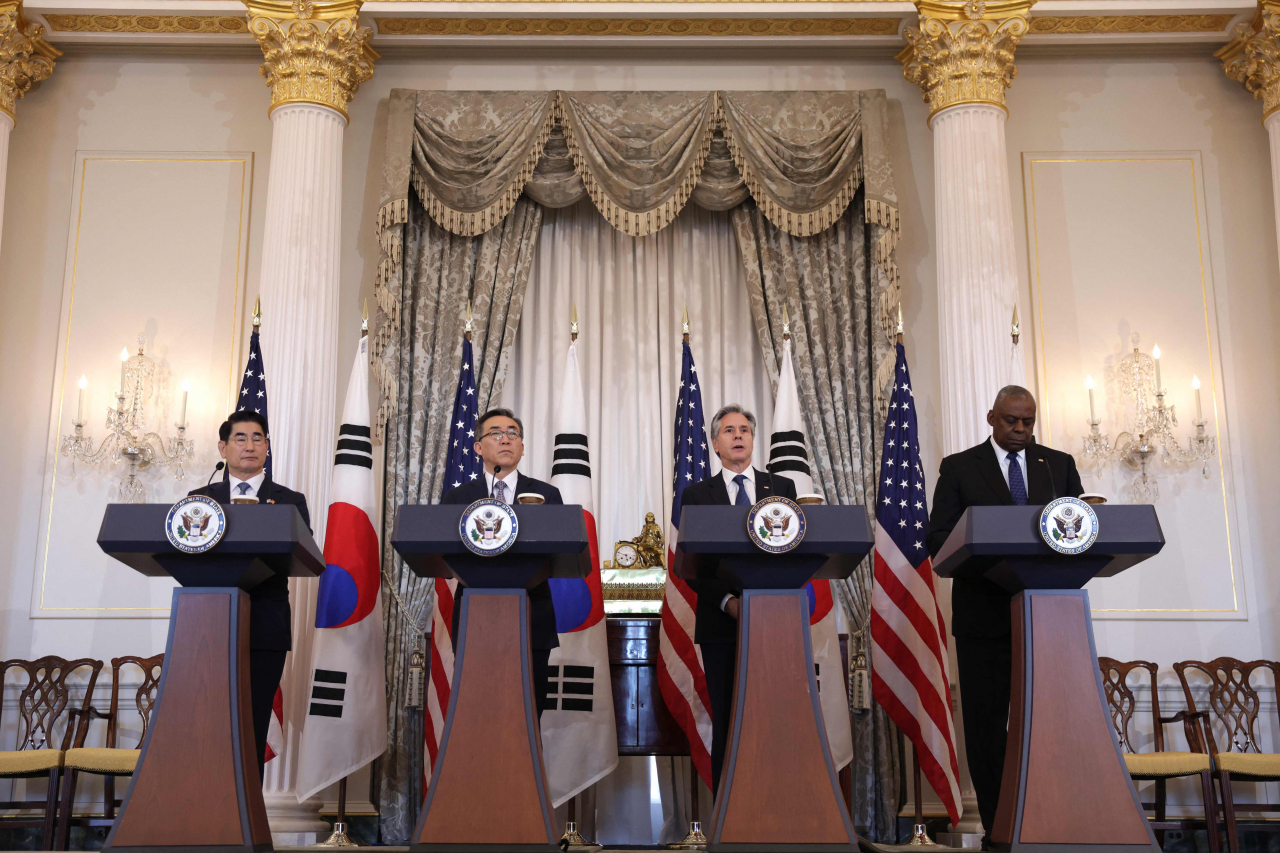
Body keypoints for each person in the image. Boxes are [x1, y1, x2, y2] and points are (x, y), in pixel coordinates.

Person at [926, 385, 1083, 845]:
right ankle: (1001, 830)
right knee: (988, 728)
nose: (1020, 429)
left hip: (1048, 620)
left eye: (1028, 422)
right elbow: (938, 540)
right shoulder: (958, 467)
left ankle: (1050, 821)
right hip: (983, 619)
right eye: (1011, 421)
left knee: (1048, 724)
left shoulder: (1058, 466)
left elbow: (1077, 532)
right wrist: (995, 566)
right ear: (991, 417)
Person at [679, 404, 797, 795]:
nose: (738, 435)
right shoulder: (697, 495)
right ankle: (730, 816)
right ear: (715, 443)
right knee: (730, 719)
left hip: (775, 622)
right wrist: (729, 601)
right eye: (728, 430)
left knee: (776, 719)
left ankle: (776, 805)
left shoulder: (782, 490)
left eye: (744, 428)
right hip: (721, 626)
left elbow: (795, 553)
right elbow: (693, 565)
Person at [188, 410, 310, 780]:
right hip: (210, 624)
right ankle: (208, 808)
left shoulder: (289, 500)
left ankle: (247, 815)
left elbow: (302, 554)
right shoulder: (199, 499)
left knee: (253, 719)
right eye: (240, 438)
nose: (250, 446)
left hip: (265, 624)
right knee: (208, 719)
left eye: (258, 438)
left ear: (267, 447)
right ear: (223, 447)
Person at [441, 407, 562, 714]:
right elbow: (445, 552)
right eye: (496, 433)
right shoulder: (457, 498)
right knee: (475, 713)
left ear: (522, 447)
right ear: (479, 447)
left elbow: (558, 553)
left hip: (533, 615)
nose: (506, 439)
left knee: (528, 713)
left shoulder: (547, 495)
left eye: (513, 434)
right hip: (475, 619)